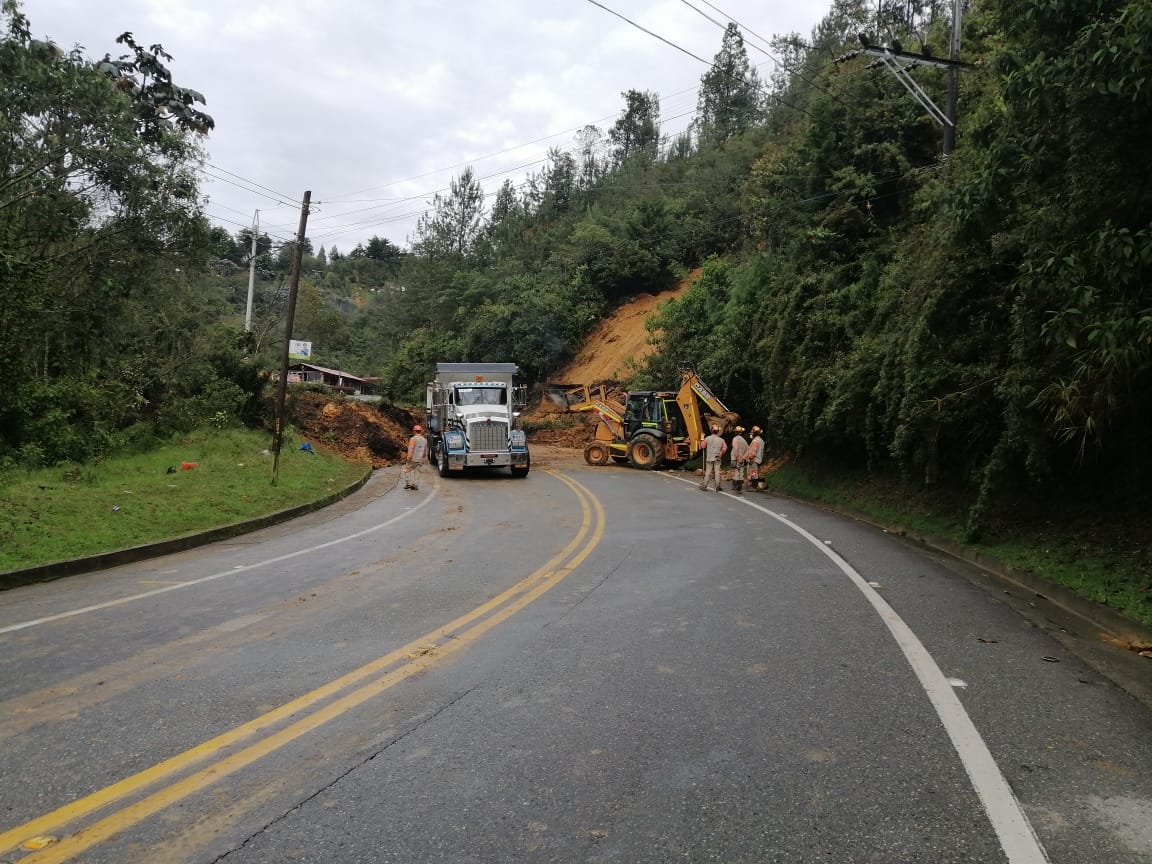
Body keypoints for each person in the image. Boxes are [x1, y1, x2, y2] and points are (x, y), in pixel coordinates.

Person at [698, 425, 727, 492]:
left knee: (708, 472)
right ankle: (718, 486)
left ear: (711, 430)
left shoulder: (707, 438)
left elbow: (702, 446)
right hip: (717, 457)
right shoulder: (721, 440)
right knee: (717, 472)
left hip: (709, 457)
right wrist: (721, 453)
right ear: (718, 431)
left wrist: (702, 439)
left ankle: (704, 485)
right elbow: (725, 448)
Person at [403, 424, 428, 490]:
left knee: (406, 469)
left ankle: (408, 483)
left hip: (413, 459)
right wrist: (423, 457)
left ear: (415, 431)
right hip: (420, 459)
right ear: (420, 431)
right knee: (417, 471)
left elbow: (411, 448)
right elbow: (425, 450)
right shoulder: (424, 440)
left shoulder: (413, 439)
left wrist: (408, 457)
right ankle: (415, 485)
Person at [729, 425, 749, 495]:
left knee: (735, 473)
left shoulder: (735, 439)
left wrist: (738, 458)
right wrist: (743, 457)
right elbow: (748, 450)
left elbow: (735, 449)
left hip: (735, 459)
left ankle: (735, 488)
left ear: (736, 432)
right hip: (742, 459)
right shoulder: (744, 441)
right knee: (741, 473)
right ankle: (739, 488)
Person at [746, 425, 765, 492]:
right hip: (759, 459)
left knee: (753, 473)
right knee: (755, 472)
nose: (751, 434)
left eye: (752, 433)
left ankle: (753, 486)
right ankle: (756, 486)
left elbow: (753, 451)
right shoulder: (761, 440)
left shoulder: (755, 441)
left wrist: (750, 458)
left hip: (754, 459)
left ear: (755, 433)